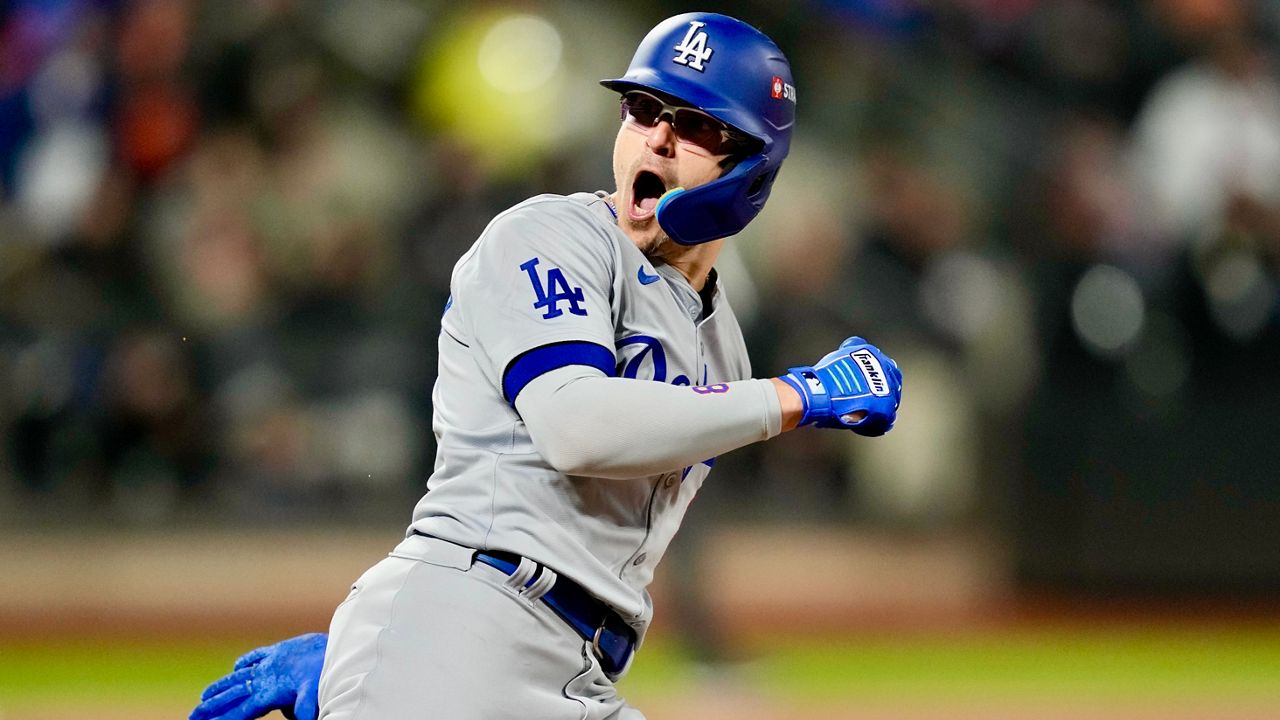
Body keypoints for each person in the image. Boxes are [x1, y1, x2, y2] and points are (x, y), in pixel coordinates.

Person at [190, 12, 902, 720]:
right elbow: (575, 427)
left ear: (752, 168)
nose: (655, 136)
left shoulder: (723, 343)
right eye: (643, 109)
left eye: (694, 125)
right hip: (463, 631)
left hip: (567, 664)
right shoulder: (551, 237)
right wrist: (796, 396)